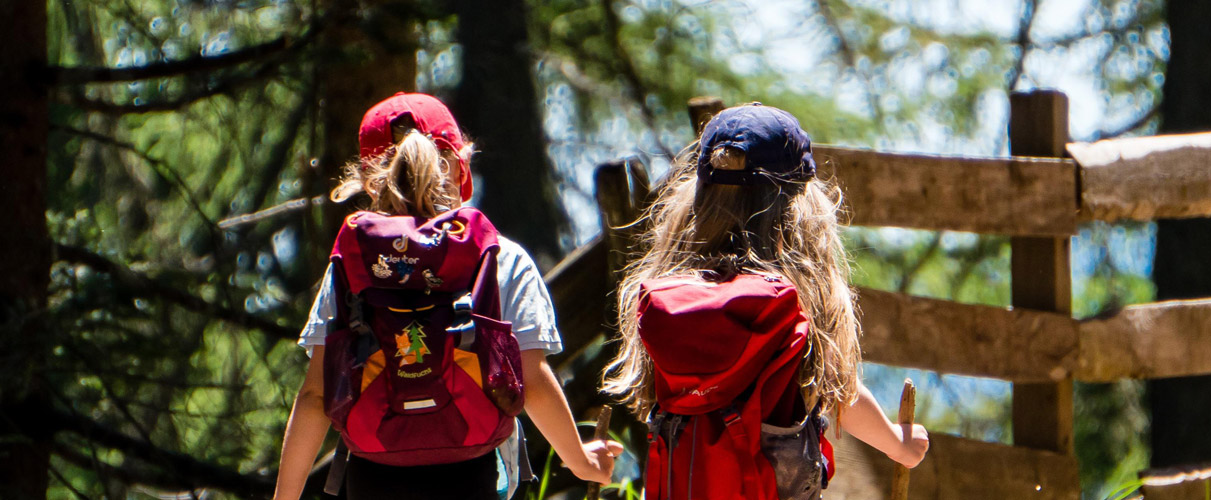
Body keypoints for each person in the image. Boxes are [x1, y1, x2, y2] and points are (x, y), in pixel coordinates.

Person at [272, 93, 621, 500]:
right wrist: (581, 460)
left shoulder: (351, 264)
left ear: (368, 180)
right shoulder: (498, 256)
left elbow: (315, 395)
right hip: (474, 475)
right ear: (461, 166)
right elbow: (532, 382)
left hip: (374, 476)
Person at [601, 103, 928, 500]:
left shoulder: (665, 300)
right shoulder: (793, 300)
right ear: (799, 207)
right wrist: (898, 444)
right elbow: (841, 391)